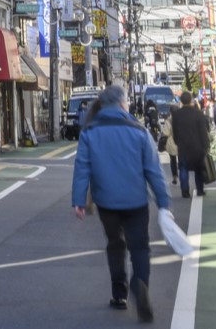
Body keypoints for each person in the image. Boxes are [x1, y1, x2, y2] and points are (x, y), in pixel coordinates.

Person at [71, 85, 172, 323]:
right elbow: (154, 171)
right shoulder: (139, 131)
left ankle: (119, 294)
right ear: (123, 104)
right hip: (136, 201)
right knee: (140, 247)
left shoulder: (90, 132)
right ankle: (140, 283)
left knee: (115, 244)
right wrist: (163, 202)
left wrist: (78, 200)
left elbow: (82, 167)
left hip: (106, 202)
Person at [170, 91, 211, 197]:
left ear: (181, 101)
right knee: (199, 168)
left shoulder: (176, 115)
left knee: (183, 168)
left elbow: (175, 131)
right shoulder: (198, 113)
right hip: (197, 146)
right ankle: (200, 190)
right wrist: (206, 145)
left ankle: (185, 191)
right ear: (191, 100)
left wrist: (177, 141)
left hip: (183, 145)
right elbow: (203, 131)